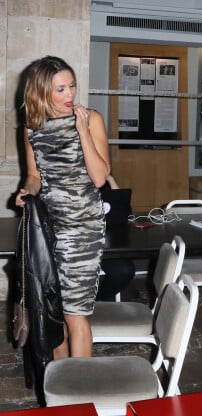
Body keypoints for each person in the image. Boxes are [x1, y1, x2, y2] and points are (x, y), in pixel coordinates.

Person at [15, 56, 110, 359]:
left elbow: (99, 177)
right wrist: (26, 192)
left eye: (72, 86)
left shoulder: (91, 118)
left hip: (83, 227)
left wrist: (82, 131)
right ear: (42, 92)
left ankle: (80, 395)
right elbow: (34, 176)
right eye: (61, 89)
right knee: (55, 312)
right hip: (49, 228)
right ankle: (64, 393)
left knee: (75, 313)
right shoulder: (33, 127)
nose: (70, 94)